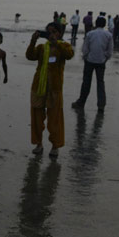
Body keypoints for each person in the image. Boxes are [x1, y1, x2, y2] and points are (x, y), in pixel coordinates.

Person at [26, 23, 74, 157]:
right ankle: (38, 143)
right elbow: (30, 56)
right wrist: (33, 40)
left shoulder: (64, 47)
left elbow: (70, 55)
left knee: (55, 118)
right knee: (36, 117)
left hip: (54, 88)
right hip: (38, 87)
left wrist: (57, 43)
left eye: (54, 32)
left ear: (59, 33)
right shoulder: (42, 48)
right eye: (48, 32)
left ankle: (55, 146)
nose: (51, 34)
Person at [72, 16, 113, 112]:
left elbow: (85, 48)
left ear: (96, 23)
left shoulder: (90, 34)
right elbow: (110, 51)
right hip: (101, 61)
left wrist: (85, 57)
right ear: (104, 25)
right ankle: (101, 105)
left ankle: (81, 102)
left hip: (90, 60)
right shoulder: (108, 35)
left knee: (86, 82)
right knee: (100, 83)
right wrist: (105, 58)